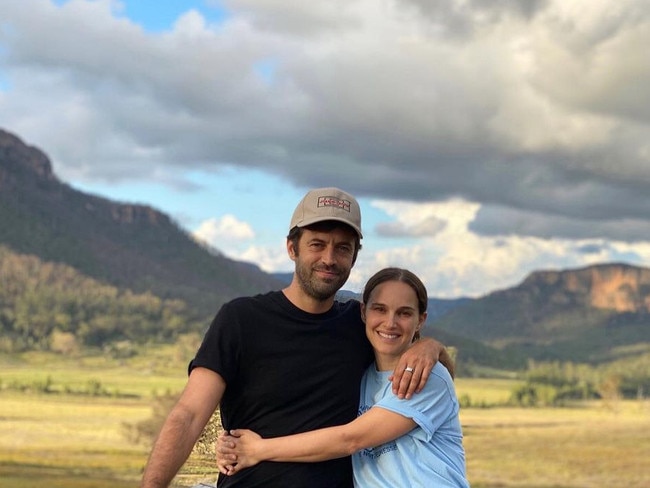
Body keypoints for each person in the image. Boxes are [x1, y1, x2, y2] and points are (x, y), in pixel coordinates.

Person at [140, 187, 452, 488]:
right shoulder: (241, 319)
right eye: (317, 244)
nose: (329, 258)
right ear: (292, 248)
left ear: (354, 257)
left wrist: (429, 346)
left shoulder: (360, 325)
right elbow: (190, 414)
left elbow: (405, 341)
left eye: (343, 247)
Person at [217, 267, 469, 488]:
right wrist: (231, 444)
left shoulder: (425, 376)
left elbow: (350, 439)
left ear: (420, 320)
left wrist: (257, 450)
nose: (390, 322)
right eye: (380, 309)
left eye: (404, 313)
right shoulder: (364, 374)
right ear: (363, 313)